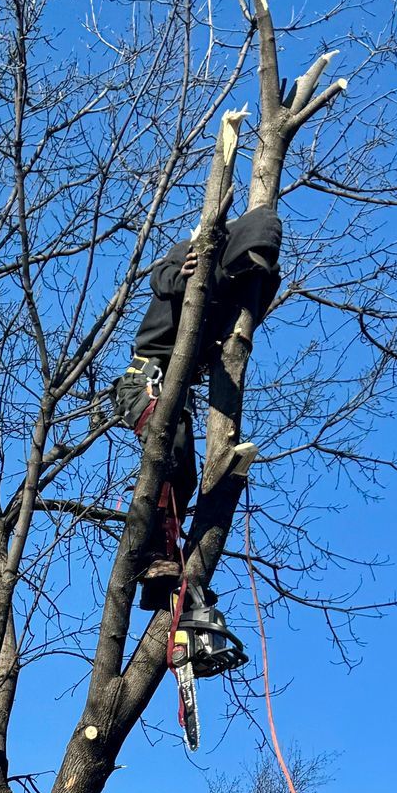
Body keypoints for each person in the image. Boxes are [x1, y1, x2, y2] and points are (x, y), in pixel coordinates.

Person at [101, 208, 284, 678]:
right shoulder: (198, 256)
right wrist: (190, 265)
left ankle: (164, 578)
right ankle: (154, 556)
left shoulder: (226, 295)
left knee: (181, 471)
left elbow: (249, 302)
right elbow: (163, 277)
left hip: (170, 393)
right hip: (143, 380)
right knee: (173, 452)